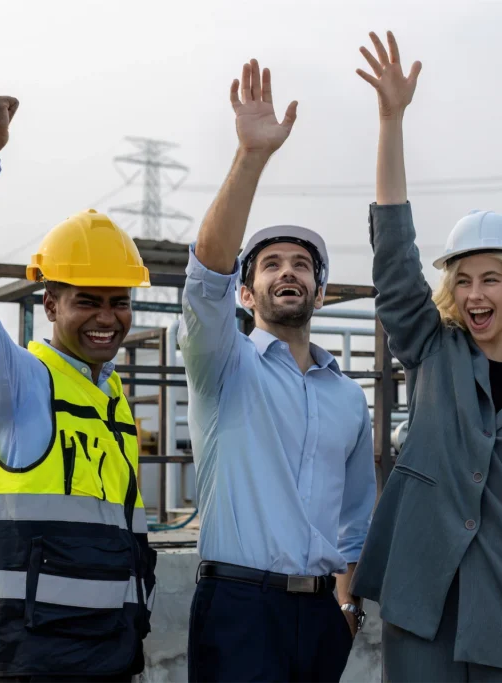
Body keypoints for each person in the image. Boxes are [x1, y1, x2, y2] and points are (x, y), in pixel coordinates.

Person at [348, 31, 502, 683]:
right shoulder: (433, 350)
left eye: (491, 278)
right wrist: (390, 121)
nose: (475, 293)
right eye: (463, 279)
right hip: (421, 604)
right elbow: (394, 255)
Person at [0, 94, 157, 683]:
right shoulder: (20, 385)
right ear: (50, 303)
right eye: (87, 301)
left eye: (119, 302)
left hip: (115, 653)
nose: (107, 318)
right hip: (36, 661)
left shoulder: (113, 400)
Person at [179, 58, 376, 683]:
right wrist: (251, 156)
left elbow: (357, 516)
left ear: (320, 293)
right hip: (237, 607)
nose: (287, 272)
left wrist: (345, 599)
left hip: (323, 612)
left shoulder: (347, 396)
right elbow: (205, 275)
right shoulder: (222, 365)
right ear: (246, 293)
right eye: (270, 265)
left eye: (301, 265)